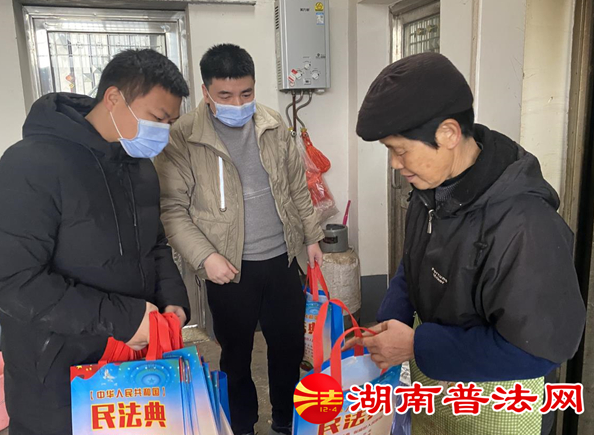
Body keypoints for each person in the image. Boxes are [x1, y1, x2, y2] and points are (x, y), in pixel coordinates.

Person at [352, 53, 586, 435]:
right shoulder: (431, 191)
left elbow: (539, 351)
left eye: (400, 149)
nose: (394, 163)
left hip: (501, 403)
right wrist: (391, 320)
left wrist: (416, 346)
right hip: (439, 393)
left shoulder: (525, 224)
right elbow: (415, 262)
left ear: (448, 133)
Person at [0, 49, 191, 435]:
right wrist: (125, 319)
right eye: (157, 118)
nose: (163, 133)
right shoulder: (30, 165)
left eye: (171, 123)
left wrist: (172, 299)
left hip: (130, 367)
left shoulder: (140, 168)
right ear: (114, 98)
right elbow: (14, 281)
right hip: (56, 374)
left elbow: (155, 244)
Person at [154, 43, 324, 435]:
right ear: (206, 91)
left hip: (282, 260)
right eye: (226, 95)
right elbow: (172, 209)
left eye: (246, 93)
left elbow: (296, 187)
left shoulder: (271, 124)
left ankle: (286, 420)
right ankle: (242, 425)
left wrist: (311, 236)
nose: (238, 103)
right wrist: (205, 257)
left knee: (288, 349)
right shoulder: (183, 137)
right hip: (228, 267)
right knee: (235, 355)